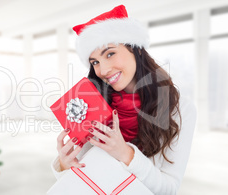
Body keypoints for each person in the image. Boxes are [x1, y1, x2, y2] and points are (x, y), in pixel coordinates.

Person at [51, 5, 197, 194]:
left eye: (110, 54)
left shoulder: (180, 109)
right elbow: (82, 178)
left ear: (135, 48)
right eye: (94, 62)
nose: (103, 70)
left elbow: (168, 189)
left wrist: (124, 154)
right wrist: (65, 164)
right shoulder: (94, 104)